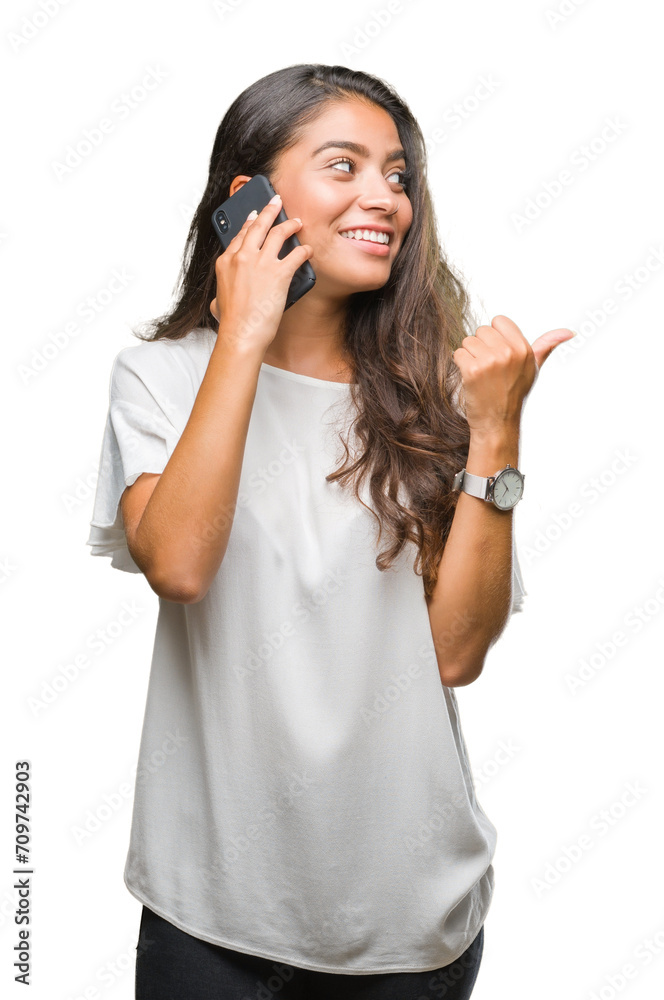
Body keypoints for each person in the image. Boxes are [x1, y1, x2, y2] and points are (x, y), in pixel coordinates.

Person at [86, 63, 574, 1000]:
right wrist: (243, 336)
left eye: (398, 174)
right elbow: (180, 565)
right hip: (211, 909)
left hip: (407, 918)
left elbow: (457, 653)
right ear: (251, 198)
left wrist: (496, 434)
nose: (383, 198)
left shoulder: (441, 400)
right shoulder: (160, 376)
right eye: (342, 165)